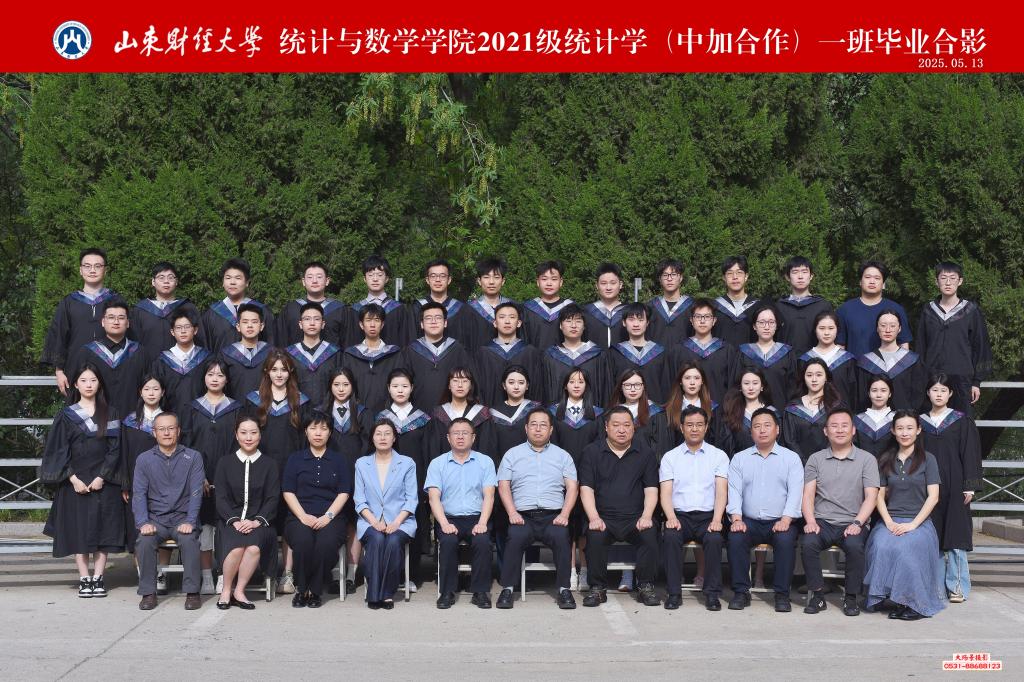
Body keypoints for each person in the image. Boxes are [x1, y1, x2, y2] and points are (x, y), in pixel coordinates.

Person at [39, 364, 125, 599]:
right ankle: (84, 578)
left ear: (99, 384)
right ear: (75, 384)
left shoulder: (111, 413)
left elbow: (115, 450)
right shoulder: (66, 415)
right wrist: (73, 478)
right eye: (84, 380)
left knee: (103, 530)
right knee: (79, 530)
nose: (89, 385)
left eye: (93, 380)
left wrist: (101, 477)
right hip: (74, 482)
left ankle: (99, 577)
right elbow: (59, 450)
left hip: (103, 482)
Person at [864, 410, 945, 619]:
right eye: (900, 428)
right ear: (892, 431)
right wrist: (888, 522)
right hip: (890, 520)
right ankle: (885, 596)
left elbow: (933, 497)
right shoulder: (885, 459)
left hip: (919, 522)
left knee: (907, 547)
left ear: (918, 430)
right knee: (880, 545)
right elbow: (878, 496)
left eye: (909, 428)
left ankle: (913, 604)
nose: (905, 433)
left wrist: (913, 525)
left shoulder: (928, 459)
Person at [495, 407, 579, 610]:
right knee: (514, 538)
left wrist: (564, 514)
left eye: (543, 425)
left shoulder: (563, 456)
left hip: (553, 516)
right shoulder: (512, 454)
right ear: (526, 428)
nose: (538, 429)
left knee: (562, 537)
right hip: (522, 516)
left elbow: (572, 487)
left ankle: (564, 589)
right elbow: (503, 486)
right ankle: (507, 589)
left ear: (551, 430)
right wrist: (512, 512)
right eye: (534, 425)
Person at [801, 408, 880, 617]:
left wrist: (857, 523)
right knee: (808, 543)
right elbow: (808, 495)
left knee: (855, 546)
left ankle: (851, 598)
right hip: (823, 521)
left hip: (853, 521)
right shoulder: (815, 459)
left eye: (844, 426)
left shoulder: (867, 459)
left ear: (853, 430)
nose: (839, 430)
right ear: (825, 431)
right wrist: (810, 521)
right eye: (834, 426)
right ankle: (818, 595)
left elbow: (871, 497)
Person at [579, 406, 661, 607]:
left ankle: (645, 586)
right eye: (616, 425)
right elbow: (586, 489)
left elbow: (651, 489)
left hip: (635, 517)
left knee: (649, 534)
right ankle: (597, 588)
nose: (622, 430)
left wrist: (646, 516)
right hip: (603, 517)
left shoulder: (645, 453)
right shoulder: (592, 452)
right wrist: (594, 517)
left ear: (634, 428)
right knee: (595, 536)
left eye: (627, 425)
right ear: (606, 427)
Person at [726, 408, 803, 612]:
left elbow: (795, 493)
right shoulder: (739, 458)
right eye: (757, 426)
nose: (762, 430)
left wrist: (786, 519)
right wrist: (736, 519)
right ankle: (741, 592)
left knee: (785, 540)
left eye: (767, 425)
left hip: (781, 520)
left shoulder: (791, 458)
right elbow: (734, 492)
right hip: (749, 521)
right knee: (736, 538)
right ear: (750, 431)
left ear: (777, 430)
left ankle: (782, 595)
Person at [247, 350, 310, 594]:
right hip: (262, 472)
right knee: (265, 520)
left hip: (292, 471)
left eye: (284, 369)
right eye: (274, 369)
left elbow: (305, 441)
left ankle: (288, 574)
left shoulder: (301, 402)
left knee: (289, 522)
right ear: (266, 371)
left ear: (291, 371)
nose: (279, 374)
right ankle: (265, 572)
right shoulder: (254, 401)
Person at [181, 357, 242, 595]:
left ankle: (224, 576)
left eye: (220, 375)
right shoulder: (192, 408)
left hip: (228, 479)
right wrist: (199, 477)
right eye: (210, 374)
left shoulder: (236, 409)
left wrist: (227, 478)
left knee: (226, 528)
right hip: (200, 480)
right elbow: (186, 445)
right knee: (205, 528)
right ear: (204, 378)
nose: (215, 379)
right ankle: (206, 576)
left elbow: (239, 445)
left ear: (227, 380)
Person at [131, 412, 205, 611]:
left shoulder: (193, 457)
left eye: (171, 428)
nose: (166, 433)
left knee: (189, 541)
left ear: (178, 431)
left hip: (183, 518)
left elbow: (196, 492)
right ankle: (148, 593)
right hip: (156, 519)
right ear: (154, 432)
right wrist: (143, 522)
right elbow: (139, 494)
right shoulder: (144, 459)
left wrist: (191, 520)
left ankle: (192, 592)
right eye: (161, 429)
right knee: (144, 541)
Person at [919, 374, 983, 603]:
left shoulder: (961, 421)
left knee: (956, 537)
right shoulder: (919, 423)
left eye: (943, 390)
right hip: (928, 487)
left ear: (950, 394)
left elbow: (970, 453)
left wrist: (970, 487)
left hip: (956, 485)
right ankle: (935, 587)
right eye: (935, 390)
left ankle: (957, 587)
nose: (939, 394)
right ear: (928, 393)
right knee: (932, 536)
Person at [660, 406, 729, 611]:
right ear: (681, 428)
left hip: (708, 516)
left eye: (699, 425)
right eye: (689, 425)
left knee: (714, 539)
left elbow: (721, 492)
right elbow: (665, 493)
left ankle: (712, 594)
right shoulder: (670, 457)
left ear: (706, 427)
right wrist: (670, 517)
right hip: (680, 515)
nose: (694, 429)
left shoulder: (718, 456)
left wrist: (717, 519)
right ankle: (674, 593)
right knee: (671, 537)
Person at [426, 418, 498, 609]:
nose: (460, 437)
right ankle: (447, 592)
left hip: (477, 517)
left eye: (465, 433)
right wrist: (444, 523)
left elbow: (489, 495)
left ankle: (480, 592)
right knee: (448, 542)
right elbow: (433, 497)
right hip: (449, 518)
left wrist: (482, 522)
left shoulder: (485, 462)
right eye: (455, 433)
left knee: (482, 542)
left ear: (473, 437)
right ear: (448, 438)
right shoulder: (437, 463)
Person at [282, 412, 352, 608]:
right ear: (306, 431)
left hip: (332, 516)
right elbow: (288, 491)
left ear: (330, 433)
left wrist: (328, 516)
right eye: (313, 428)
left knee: (325, 544)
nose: (318, 433)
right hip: (299, 516)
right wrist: (303, 516)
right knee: (303, 541)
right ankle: (301, 589)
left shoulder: (339, 460)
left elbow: (344, 492)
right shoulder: (295, 459)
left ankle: (314, 590)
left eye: (323, 429)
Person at [214, 411, 280, 610]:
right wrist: (234, 520)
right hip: (230, 521)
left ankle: (239, 591)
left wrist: (256, 521)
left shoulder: (270, 464)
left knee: (253, 547)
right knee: (235, 547)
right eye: (243, 433)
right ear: (236, 435)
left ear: (260, 435)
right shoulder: (225, 463)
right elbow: (221, 497)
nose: (248, 437)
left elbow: (272, 498)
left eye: (253, 432)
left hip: (259, 523)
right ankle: (226, 590)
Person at [548, 369, 604, 592]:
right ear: (565, 385)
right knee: (568, 525)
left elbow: (600, 446)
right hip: (563, 477)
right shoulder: (555, 413)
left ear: (587, 385)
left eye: (581, 381)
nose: (576, 385)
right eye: (572, 381)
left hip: (590, 476)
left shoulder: (597, 414)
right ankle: (570, 570)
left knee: (586, 525)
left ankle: (586, 570)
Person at [376, 369, 433, 589]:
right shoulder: (381, 419)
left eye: (405, 386)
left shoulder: (422, 419)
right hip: (386, 481)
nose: (400, 390)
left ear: (412, 389)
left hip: (415, 481)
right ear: (388, 389)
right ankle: (390, 574)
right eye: (395, 386)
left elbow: (428, 453)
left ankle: (412, 575)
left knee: (413, 524)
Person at [354, 419, 418, 609]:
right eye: (378, 433)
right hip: (370, 521)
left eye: (387, 433)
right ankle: (374, 594)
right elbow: (359, 500)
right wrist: (374, 522)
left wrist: (397, 522)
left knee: (392, 541)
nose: (383, 437)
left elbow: (411, 499)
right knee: (376, 539)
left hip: (401, 521)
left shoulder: (407, 463)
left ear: (394, 438)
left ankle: (387, 593)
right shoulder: (362, 464)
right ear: (372, 438)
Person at [320, 366, 373, 593]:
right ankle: (334, 572)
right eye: (336, 384)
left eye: (345, 384)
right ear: (330, 387)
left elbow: (368, 445)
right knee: (332, 522)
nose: (341, 389)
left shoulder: (362, 412)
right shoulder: (321, 412)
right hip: (327, 476)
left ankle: (351, 573)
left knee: (354, 523)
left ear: (353, 387)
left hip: (355, 475)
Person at [41, 247, 121, 395]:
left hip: (112, 369)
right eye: (87, 266)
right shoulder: (69, 302)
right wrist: (59, 371)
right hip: (76, 370)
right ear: (80, 270)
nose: (92, 270)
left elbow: (127, 337)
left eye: (98, 266)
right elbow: (59, 335)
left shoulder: (116, 301)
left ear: (105, 270)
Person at [916, 262, 992, 414]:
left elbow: (980, 346)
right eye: (943, 278)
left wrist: (976, 382)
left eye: (952, 278)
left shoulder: (970, 310)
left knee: (962, 421)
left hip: (962, 379)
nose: (948, 282)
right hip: (932, 378)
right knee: (931, 421)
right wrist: (921, 378)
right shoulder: (928, 311)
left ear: (960, 281)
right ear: (936, 281)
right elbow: (921, 345)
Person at [68, 298, 148, 421]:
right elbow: (75, 392)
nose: (116, 322)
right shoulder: (87, 352)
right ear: (103, 322)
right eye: (111, 317)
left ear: (128, 323)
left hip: (132, 422)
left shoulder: (140, 352)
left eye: (121, 318)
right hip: (95, 423)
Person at [403, 301, 473, 412]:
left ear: (445, 323)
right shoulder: (412, 350)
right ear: (421, 324)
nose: (433, 321)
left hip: (451, 413)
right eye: (428, 318)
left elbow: (467, 381)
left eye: (438, 318)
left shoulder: (457, 349)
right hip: (418, 411)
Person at [130, 261, 203, 367]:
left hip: (183, 369)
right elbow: (134, 343)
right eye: (161, 277)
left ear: (176, 282)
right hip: (148, 369)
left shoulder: (188, 308)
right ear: (153, 282)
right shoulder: (140, 310)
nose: (166, 281)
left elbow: (200, 341)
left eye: (170, 277)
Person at [541, 303, 613, 406]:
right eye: (568, 321)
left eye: (578, 321)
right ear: (561, 325)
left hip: (592, 414)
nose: (573, 325)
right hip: (557, 414)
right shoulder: (550, 356)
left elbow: (606, 391)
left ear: (584, 326)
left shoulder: (598, 355)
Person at [836, 260, 911, 358]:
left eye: (877, 278)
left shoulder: (896, 309)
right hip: (855, 366)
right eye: (867, 277)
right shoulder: (845, 310)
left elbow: (903, 344)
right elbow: (840, 345)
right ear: (860, 282)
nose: (872, 281)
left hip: (889, 367)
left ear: (883, 284)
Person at [856, 309, 927, 412]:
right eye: (883, 325)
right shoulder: (866, 362)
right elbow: (861, 396)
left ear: (899, 328)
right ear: (877, 328)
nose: (888, 330)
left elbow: (919, 395)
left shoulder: (912, 360)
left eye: (893, 326)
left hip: (905, 418)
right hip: (875, 418)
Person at [474, 302, 544, 406]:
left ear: (519, 323)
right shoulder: (483, 353)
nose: (507, 321)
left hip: (524, 413)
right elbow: (478, 389)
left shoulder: (530, 352)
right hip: (491, 410)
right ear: (495, 323)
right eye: (502, 317)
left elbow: (536, 388)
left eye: (512, 317)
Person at [652, 362, 727, 459]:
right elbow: (661, 447)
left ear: (702, 381)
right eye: (687, 378)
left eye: (697, 378)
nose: (692, 382)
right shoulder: (667, 413)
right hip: (675, 464)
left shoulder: (714, 411)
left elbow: (721, 443)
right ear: (680, 381)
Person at [201, 257, 275, 352]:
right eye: (228, 278)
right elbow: (205, 348)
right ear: (223, 282)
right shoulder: (211, 314)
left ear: (247, 282)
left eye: (238, 278)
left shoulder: (262, 311)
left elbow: (270, 344)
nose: (232, 282)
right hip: (220, 361)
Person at [341, 304, 404, 415]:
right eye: (368, 320)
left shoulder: (394, 354)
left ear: (382, 324)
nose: (372, 325)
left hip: (388, 414)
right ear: (361, 325)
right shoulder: (350, 355)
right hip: (356, 414)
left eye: (377, 320)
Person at [609, 302, 674, 404]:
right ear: (624, 322)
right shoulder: (615, 353)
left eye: (641, 320)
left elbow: (665, 386)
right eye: (631, 319)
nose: (636, 324)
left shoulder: (660, 353)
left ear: (647, 323)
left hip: (654, 410)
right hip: (623, 410)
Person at [737, 303, 797, 412]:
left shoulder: (787, 352)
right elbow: (737, 386)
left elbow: (792, 388)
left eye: (771, 322)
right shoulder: (744, 352)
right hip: (749, 413)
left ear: (776, 326)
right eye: (761, 322)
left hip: (780, 412)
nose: (766, 327)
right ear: (754, 326)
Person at [676, 298, 737, 406]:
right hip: (686, 412)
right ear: (691, 320)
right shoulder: (679, 350)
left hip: (720, 412)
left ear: (714, 320)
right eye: (698, 316)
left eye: (707, 317)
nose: (702, 321)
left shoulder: (726, 350)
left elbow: (732, 387)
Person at [428, 367, 497, 463]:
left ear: (471, 385)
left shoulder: (482, 414)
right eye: (455, 380)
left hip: (475, 468)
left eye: (465, 381)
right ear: (449, 385)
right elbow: (433, 448)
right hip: (445, 468)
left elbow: (487, 447)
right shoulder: (438, 414)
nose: (460, 385)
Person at [151, 307, 211, 416]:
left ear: (195, 330)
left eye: (187, 327)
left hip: (201, 417)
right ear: (172, 332)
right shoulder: (162, 361)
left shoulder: (207, 358)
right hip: (170, 419)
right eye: (178, 328)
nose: (183, 331)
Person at [276, 261, 350, 348]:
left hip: (332, 357)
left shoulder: (340, 310)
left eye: (319, 277)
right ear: (303, 281)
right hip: (294, 356)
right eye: (310, 277)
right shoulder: (291, 309)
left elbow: (348, 344)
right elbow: (281, 342)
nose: (314, 281)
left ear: (327, 281)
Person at [782, 359, 844, 463]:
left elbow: (839, 436)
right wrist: (805, 463)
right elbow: (790, 440)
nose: (814, 379)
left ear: (826, 378)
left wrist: (824, 462)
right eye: (809, 375)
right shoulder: (793, 408)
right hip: (799, 465)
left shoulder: (836, 406)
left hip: (831, 463)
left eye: (819, 375)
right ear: (804, 378)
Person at [349, 254, 413, 347]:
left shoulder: (399, 309)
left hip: (393, 356)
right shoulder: (355, 310)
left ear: (386, 278)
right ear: (364, 279)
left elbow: (404, 342)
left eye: (379, 275)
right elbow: (351, 342)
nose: (375, 279)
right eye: (370, 275)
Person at [775, 256, 834, 356]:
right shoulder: (779, 307)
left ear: (811, 276)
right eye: (795, 272)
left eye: (804, 272)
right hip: (784, 361)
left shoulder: (823, 306)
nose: (800, 276)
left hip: (815, 361)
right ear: (787, 277)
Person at [285, 301, 342, 402]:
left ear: (323, 324)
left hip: (327, 408)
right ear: (300, 324)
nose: (312, 323)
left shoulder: (334, 353)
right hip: (297, 407)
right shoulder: (289, 353)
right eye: (307, 319)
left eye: (317, 319)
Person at [799, 311, 858, 408]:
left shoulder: (848, 360)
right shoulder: (805, 360)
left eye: (831, 328)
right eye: (822, 328)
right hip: (811, 413)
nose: (826, 333)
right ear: (815, 330)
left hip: (841, 413)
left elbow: (853, 394)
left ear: (837, 330)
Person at [413, 258, 472, 349]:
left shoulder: (461, 309)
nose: (438, 280)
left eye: (442, 276)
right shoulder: (417, 307)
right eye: (433, 276)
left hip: (454, 356)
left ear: (449, 280)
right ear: (427, 280)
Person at [220, 302, 273, 400]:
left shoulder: (272, 353)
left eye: (254, 322)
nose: (249, 325)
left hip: (265, 406)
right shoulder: (226, 355)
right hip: (235, 407)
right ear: (238, 327)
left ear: (261, 326)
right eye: (245, 322)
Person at [720, 369, 776, 457]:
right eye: (746, 383)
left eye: (755, 383)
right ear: (740, 387)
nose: (751, 388)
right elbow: (728, 448)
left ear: (762, 386)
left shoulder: (773, 413)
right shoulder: (731, 414)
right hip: (740, 463)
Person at [464, 256, 514, 352]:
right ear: (479, 281)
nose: (491, 282)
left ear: (503, 281)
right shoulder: (468, 310)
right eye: (486, 277)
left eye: (496, 277)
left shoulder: (514, 308)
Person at [607, 370, 664, 452]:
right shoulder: (613, 412)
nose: (633, 389)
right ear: (621, 387)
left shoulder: (656, 412)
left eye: (637, 385)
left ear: (643, 387)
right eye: (627, 385)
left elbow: (660, 447)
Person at [524, 260, 575, 350]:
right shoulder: (527, 309)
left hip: (564, 358)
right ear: (538, 282)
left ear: (561, 282)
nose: (549, 283)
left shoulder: (571, 308)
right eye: (544, 279)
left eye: (554, 279)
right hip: (533, 358)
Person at [646, 258, 694, 348]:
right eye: (665, 275)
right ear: (660, 279)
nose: (669, 278)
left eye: (673, 274)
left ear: (681, 278)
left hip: (684, 355)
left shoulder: (692, 306)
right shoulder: (650, 307)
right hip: (657, 356)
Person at [712, 256, 759, 347]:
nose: (735, 277)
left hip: (749, 356)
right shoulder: (715, 306)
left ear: (746, 276)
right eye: (730, 273)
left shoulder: (757, 307)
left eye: (739, 273)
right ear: (724, 278)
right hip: (721, 355)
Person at [581, 262, 626, 350]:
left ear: (620, 285)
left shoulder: (629, 312)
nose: (608, 287)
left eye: (613, 283)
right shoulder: (586, 312)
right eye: (603, 283)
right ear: (597, 285)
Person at [854, 376, 896, 457]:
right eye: (874, 390)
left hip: (891, 464)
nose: (878, 395)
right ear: (869, 393)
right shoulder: (857, 420)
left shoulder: (897, 419)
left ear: (890, 393)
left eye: (883, 390)